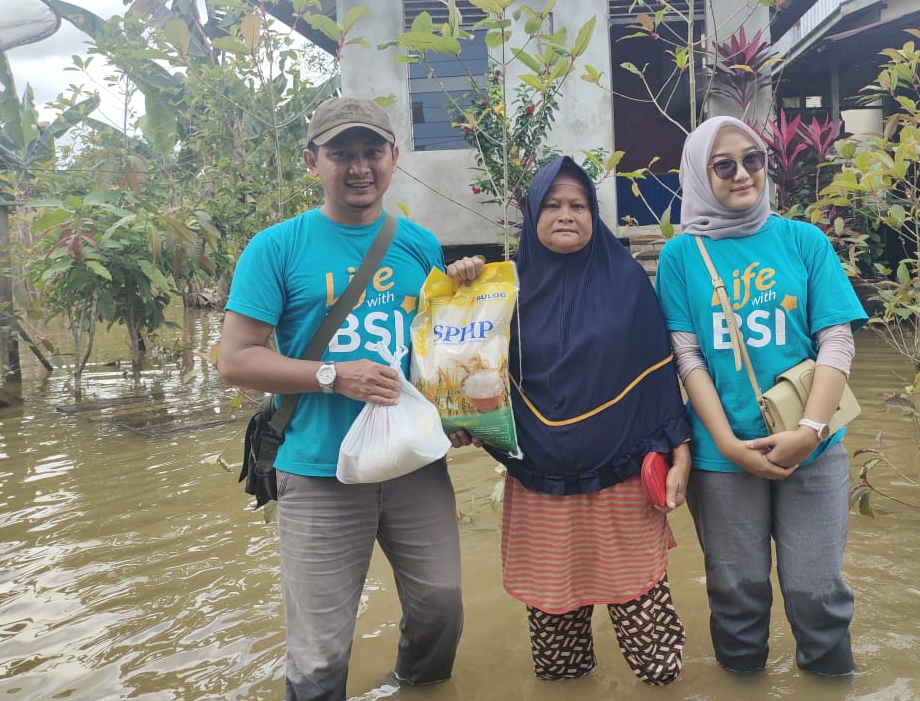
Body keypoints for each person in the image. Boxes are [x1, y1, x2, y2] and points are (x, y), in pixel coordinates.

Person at [217, 96, 463, 700]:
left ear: (393, 158)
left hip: (413, 464)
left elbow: (435, 348)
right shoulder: (275, 248)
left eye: (371, 152)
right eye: (340, 154)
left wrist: (466, 292)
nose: (359, 167)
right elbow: (235, 359)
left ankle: (416, 687)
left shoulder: (420, 243)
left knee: (442, 607)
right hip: (318, 469)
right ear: (312, 161)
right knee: (321, 651)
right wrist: (333, 375)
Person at [448, 156, 693, 685]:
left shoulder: (627, 281)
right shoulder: (499, 290)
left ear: (593, 213)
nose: (566, 214)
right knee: (559, 663)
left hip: (622, 483)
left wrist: (681, 453)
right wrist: (460, 284)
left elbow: (657, 378)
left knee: (655, 656)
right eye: (553, 204)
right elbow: (461, 368)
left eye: (578, 205)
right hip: (540, 488)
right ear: (533, 214)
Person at [654, 115, 867, 678]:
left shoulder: (803, 240)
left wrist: (811, 432)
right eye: (723, 165)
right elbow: (687, 357)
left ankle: (830, 686)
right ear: (701, 174)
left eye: (753, 160)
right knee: (737, 594)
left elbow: (835, 341)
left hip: (814, 450)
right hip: (722, 459)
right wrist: (726, 443)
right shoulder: (681, 256)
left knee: (818, 592)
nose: (742, 173)